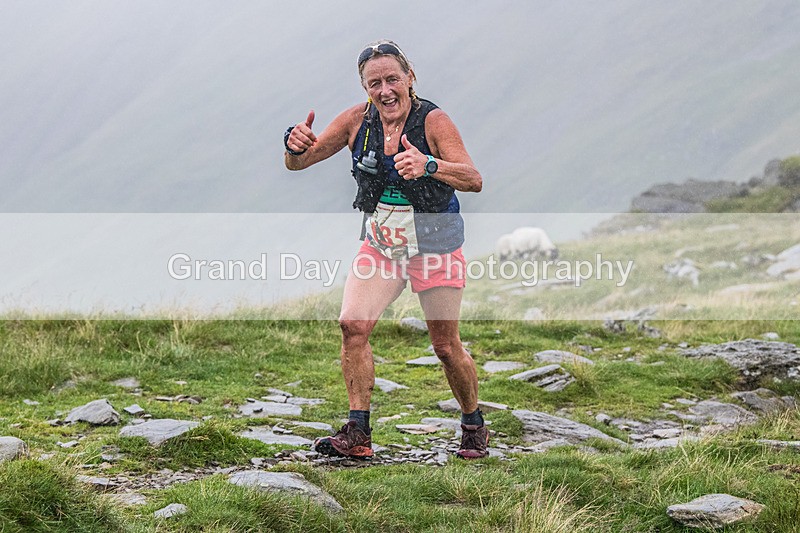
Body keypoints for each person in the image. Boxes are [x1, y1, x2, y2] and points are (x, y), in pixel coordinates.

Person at [283, 40, 486, 459]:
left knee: (445, 347)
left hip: (436, 242)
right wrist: (293, 143)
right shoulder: (358, 121)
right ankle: (358, 434)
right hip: (383, 244)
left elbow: (473, 178)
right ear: (365, 88)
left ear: (410, 78)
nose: (385, 90)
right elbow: (298, 164)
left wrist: (431, 165)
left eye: (392, 78)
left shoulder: (434, 121)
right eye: (374, 83)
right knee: (352, 326)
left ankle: (473, 424)